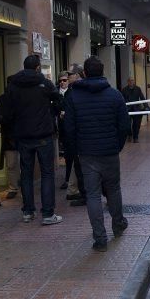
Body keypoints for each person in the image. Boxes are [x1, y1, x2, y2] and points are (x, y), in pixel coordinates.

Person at [63, 56, 130, 252]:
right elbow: (124, 125)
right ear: (102, 72)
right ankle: (118, 224)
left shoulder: (74, 96)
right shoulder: (115, 95)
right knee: (114, 190)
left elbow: (69, 128)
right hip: (109, 152)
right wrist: (117, 145)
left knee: (92, 195)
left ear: (85, 73)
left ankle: (100, 238)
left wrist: (76, 149)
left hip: (87, 153)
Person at [6, 55, 62, 225]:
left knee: (26, 174)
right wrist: (50, 113)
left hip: (23, 135)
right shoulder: (44, 83)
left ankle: (28, 212)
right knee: (47, 173)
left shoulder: (13, 84)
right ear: (38, 67)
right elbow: (59, 100)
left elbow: (8, 108)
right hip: (43, 134)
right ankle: (47, 214)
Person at [61, 65, 87, 206]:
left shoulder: (76, 92)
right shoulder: (71, 91)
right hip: (77, 136)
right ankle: (73, 189)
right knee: (76, 165)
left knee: (82, 166)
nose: (68, 76)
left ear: (77, 75)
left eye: (70, 74)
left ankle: (85, 193)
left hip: (79, 136)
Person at [0, 76, 19, 200]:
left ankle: (15, 186)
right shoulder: (2, 99)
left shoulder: (19, 98)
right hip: (11, 136)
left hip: (17, 135)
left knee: (13, 164)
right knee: (12, 164)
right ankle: (13, 187)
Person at [121, 78, 146, 143]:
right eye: (130, 81)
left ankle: (135, 137)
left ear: (134, 81)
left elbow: (142, 97)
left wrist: (146, 106)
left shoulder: (138, 89)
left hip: (136, 109)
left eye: (132, 81)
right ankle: (129, 134)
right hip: (128, 109)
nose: (131, 82)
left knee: (136, 124)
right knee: (127, 124)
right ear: (128, 82)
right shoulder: (124, 90)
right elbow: (122, 99)